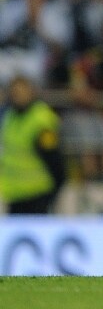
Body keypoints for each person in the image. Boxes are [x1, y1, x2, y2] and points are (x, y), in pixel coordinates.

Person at [0, 75, 66, 214]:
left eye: (21, 93)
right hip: (14, 191)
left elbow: (53, 157)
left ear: (31, 92)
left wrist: (57, 186)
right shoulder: (9, 117)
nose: (17, 97)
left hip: (38, 191)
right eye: (14, 93)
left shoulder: (40, 118)